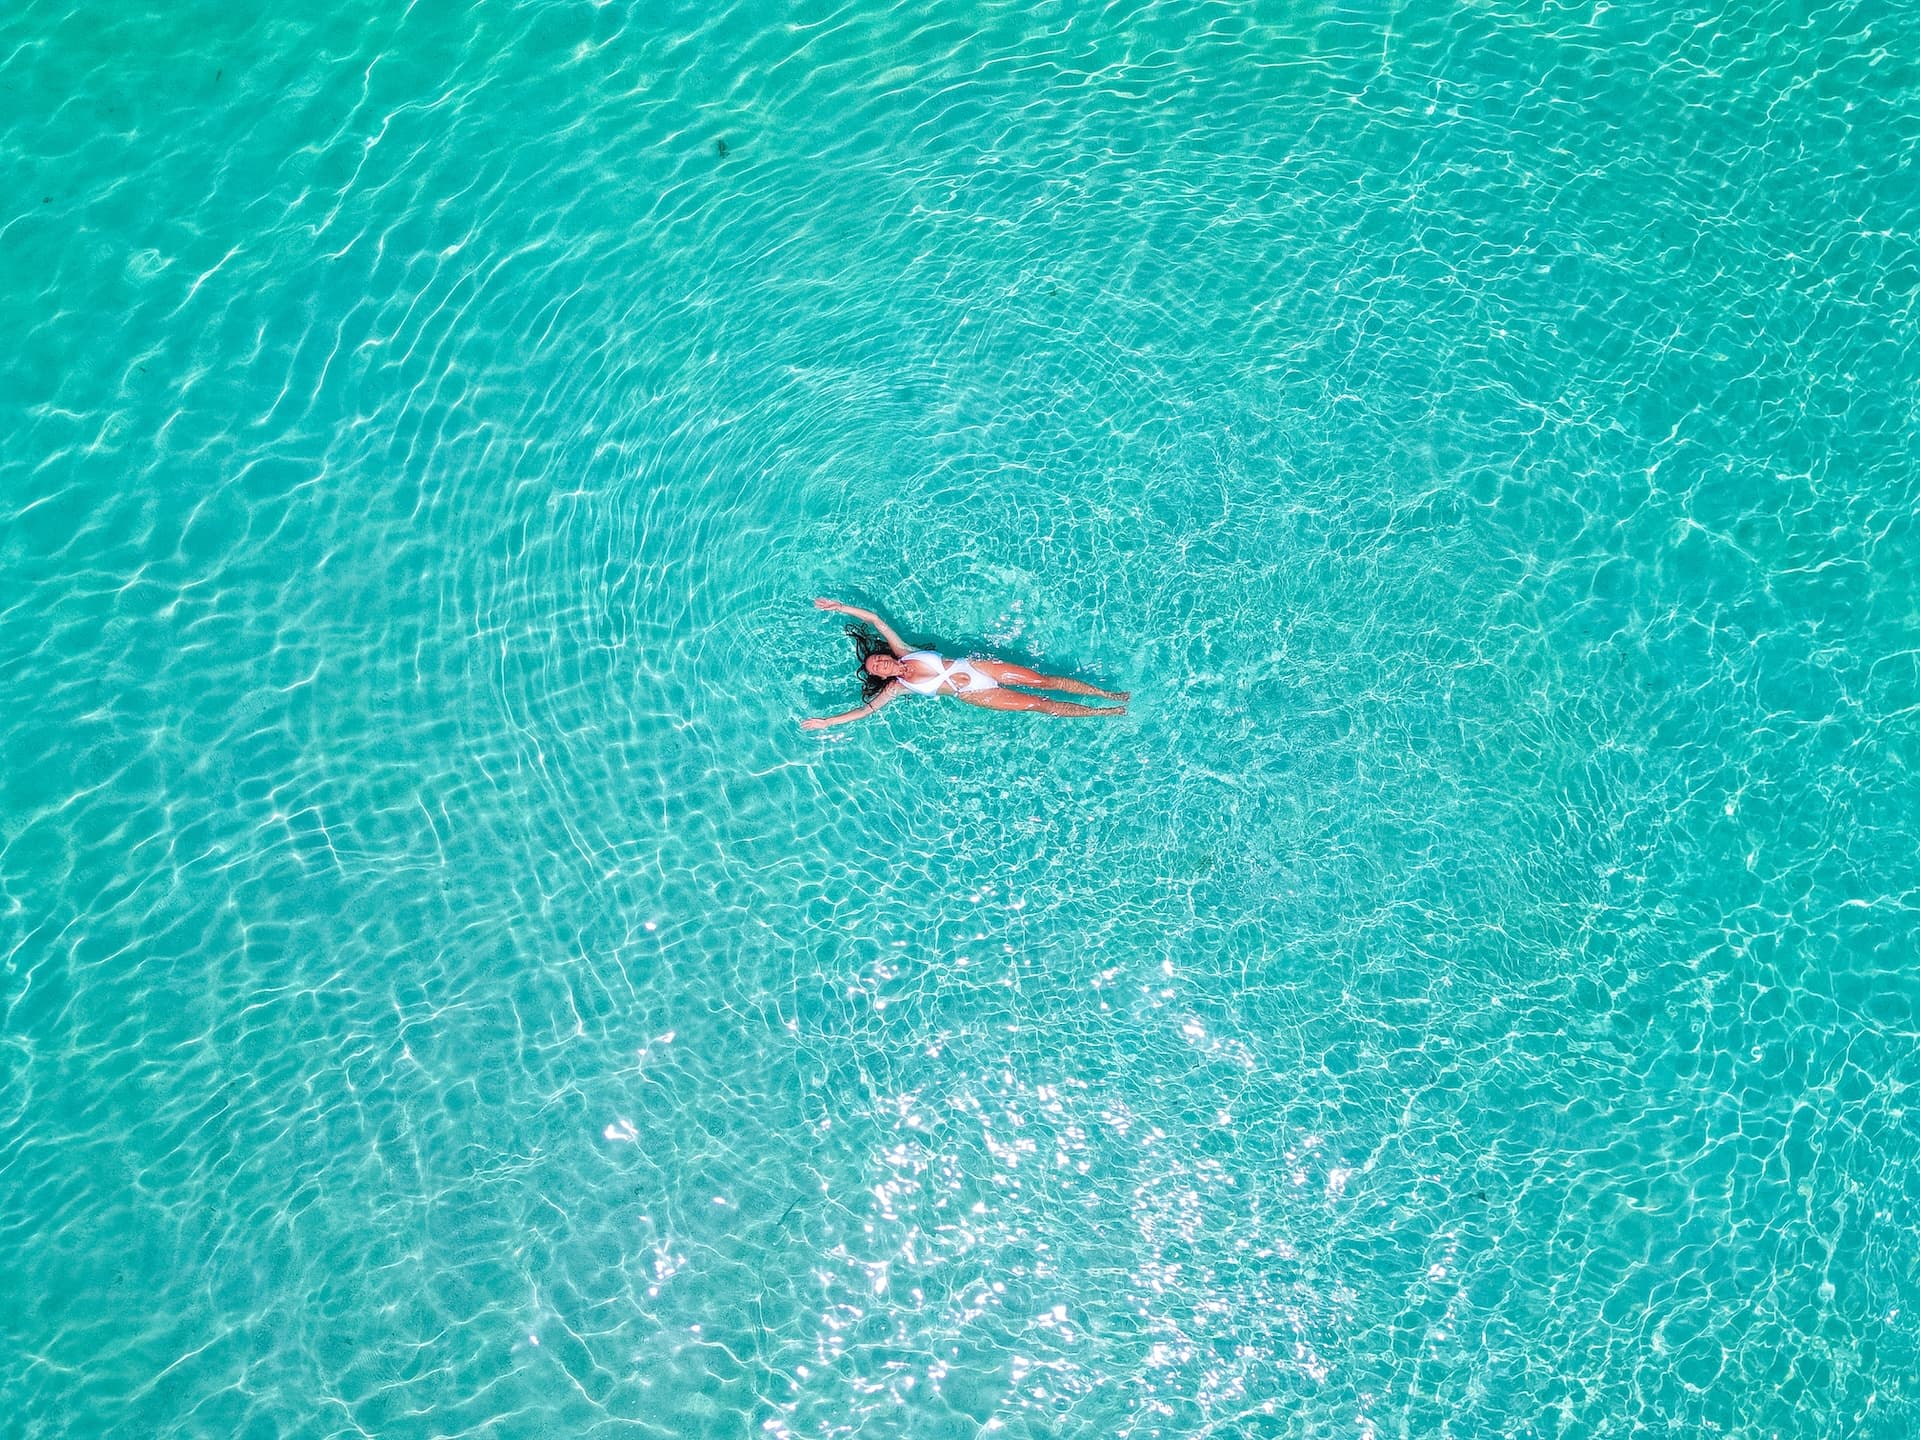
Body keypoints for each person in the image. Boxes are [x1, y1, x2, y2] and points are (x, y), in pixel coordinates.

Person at [802, 599, 1128, 730]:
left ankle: (1108, 694)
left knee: (1043, 681)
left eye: (880, 659)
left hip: (980, 668)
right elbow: (866, 711)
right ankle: (1104, 713)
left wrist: (841, 607)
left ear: (886, 655)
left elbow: (875, 620)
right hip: (973, 692)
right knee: (1038, 705)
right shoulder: (898, 688)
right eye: (877, 669)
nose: (883, 665)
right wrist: (828, 722)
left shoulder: (903, 649)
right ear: (880, 676)